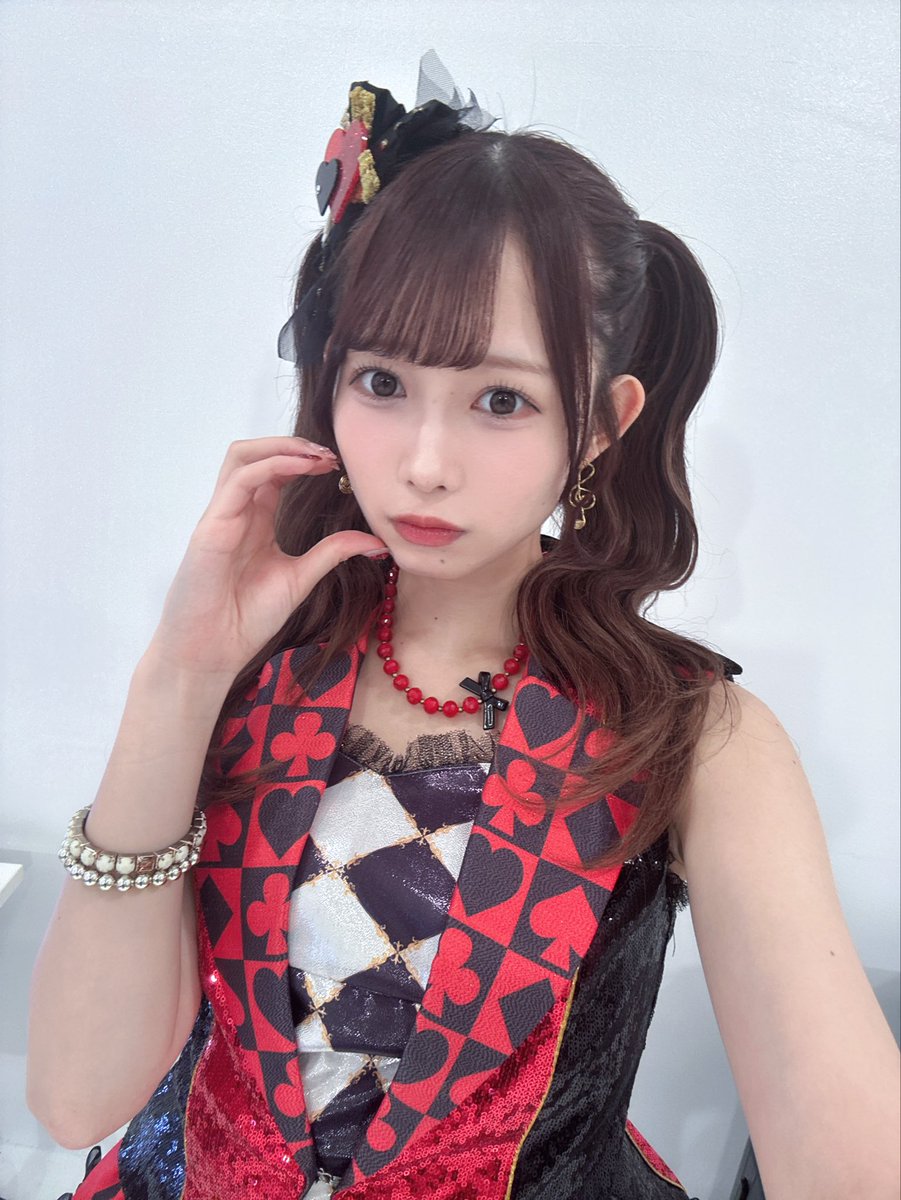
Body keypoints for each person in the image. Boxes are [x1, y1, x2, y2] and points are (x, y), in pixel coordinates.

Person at [27, 52, 899, 1200]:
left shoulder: (691, 735)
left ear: (602, 424)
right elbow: (79, 1095)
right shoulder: (250, 667)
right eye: (383, 383)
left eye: (500, 400)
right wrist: (177, 679)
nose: (426, 463)